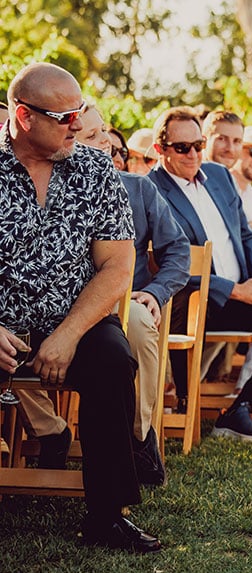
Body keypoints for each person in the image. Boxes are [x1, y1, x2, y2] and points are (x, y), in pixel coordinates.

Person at [0, 62, 159, 552]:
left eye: (79, 113)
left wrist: (68, 334)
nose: (78, 124)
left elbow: (116, 266)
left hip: (76, 320)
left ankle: (107, 515)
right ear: (25, 117)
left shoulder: (95, 171)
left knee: (114, 358)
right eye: (65, 116)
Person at [18, 104, 189, 482]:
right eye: (93, 137)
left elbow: (174, 252)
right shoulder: (29, 175)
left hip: (126, 299)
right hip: (40, 308)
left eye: (104, 134)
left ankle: (138, 435)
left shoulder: (137, 188)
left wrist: (155, 292)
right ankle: (50, 430)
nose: (107, 144)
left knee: (134, 330)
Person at [147, 106, 252, 441]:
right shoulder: (150, 189)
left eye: (197, 145)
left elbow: (246, 235)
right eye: (182, 148)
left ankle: (240, 410)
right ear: (160, 149)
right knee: (190, 299)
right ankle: (184, 398)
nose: (194, 154)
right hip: (194, 299)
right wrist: (234, 290)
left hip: (242, 293)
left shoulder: (220, 177)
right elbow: (165, 265)